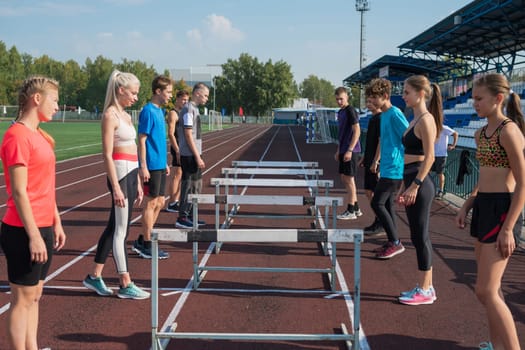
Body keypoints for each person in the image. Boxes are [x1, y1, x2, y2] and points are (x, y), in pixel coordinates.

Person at [456, 73, 524, 350]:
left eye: (479, 99)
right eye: (472, 99)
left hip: (501, 210)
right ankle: (498, 345)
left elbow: (522, 183)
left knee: (485, 289)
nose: (475, 104)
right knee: (490, 291)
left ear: (498, 99)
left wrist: (508, 228)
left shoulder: (509, 131)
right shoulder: (480, 132)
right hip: (483, 205)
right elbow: (484, 177)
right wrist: (467, 204)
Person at [0, 76, 67, 349]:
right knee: (23, 297)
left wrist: (56, 221)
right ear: (36, 98)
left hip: (43, 225)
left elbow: (45, 185)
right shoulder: (16, 136)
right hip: (22, 229)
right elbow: (19, 191)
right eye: (54, 100)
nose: (58, 106)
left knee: (36, 295)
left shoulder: (41, 136)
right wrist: (34, 236)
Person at [82, 70, 150, 300]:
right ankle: (125, 282)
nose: (136, 97)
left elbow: (131, 148)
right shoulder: (110, 115)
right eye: (133, 92)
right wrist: (117, 186)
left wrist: (139, 182)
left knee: (114, 228)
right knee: (122, 231)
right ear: (120, 90)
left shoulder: (125, 114)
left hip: (131, 174)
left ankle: (94, 276)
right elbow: (107, 155)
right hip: (119, 175)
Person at [396, 75, 443, 305]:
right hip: (411, 179)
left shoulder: (426, 120)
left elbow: (430, 157)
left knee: (421, 235)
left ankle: (426, 290)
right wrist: (404, 187)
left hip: (420, 182)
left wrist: (414, 186)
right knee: (416, 235)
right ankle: (426, 286)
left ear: (420, 93)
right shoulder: (413, 119)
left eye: (406, 92)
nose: (403, 96)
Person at [366, 78, 409, 259]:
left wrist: (407, 165)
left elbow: (409, 136)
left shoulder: (395, 113)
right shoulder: (383, 116)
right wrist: (377, 161)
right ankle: (393, 241)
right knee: (388, 205)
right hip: (386, 167)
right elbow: (383, 142)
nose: (372, 102)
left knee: (378, 203)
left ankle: (396, 243)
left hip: (395, 168)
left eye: (374, 98)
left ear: (385, 96)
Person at [132, 75, 173, 259]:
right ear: (158, 91)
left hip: (159, 162)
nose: (170, 95)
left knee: (160, 202)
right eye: (169, 92)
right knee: (151, 202)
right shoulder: (148, 111)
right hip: (150, 164)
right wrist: (143, 166)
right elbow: (142, 140)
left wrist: (164, 161)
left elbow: (158, 139)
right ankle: (147, 244)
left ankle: (142, 238)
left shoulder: (160, 111)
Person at [175, 82, 210, 229]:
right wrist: (197, 156)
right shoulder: (189, 109)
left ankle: (191, 215)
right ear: (197, 93)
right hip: (189, 154)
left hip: (193, 153)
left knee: (196, 185)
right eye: (206, 95)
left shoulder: (194, 109)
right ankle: (182, 216)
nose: (207, 98)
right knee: (188, 185)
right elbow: (188, 134)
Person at [334, 86, 362, 220]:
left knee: (349, 179)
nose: (339, 101)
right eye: (337, 99)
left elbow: (357, 131)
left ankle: (351, 209)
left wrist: (350, 150)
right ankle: (356, 208)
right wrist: (339, 150)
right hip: (343, 148)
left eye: (341, 99)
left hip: (351, 150)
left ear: (347, 98)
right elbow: (342, 133)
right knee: (344, 178)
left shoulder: (351, 111)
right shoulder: (340, 112)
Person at [359, 96, 383, 234]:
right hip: (369, 159)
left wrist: (376, 160)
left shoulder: (380, 118)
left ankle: (381, 222)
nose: (368, 104)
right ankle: (378, 219)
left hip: (376, 162)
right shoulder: (372, 118)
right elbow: (371, 141)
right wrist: (365, 157)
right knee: (369, 192)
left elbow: (381, 141)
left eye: (371, 101)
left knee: (376, 193)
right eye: (367, 101)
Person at [165, 90, 190, 213]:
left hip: (185, 148)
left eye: (187, 100)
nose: (186, 102)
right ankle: (172, 202)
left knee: (183, 175)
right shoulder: (173, 114)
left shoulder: (184, 113)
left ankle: (177, 200)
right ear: (178, 99)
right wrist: (177, 149)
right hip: (178, 148)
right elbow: (170, 133)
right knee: (177, 175)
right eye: (184, 100)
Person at [432, 124, 458, 199]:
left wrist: (453, 145)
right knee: (426, 172)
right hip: (432, 154)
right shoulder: (432, 126)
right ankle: (429, 188)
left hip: (441, 155)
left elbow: (455, 133)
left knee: (440, 173)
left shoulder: (444, 127)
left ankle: (441, 191)